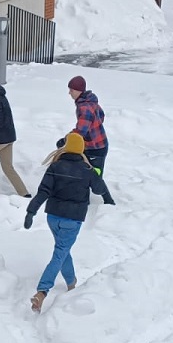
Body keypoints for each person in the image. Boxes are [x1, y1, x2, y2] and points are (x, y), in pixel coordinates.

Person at [24, 133, 115, 313]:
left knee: (63, 250)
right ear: (81, 149)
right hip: (72, 220)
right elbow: (99, 188)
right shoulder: (86, 169)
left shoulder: (55, 166)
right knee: (60, 253)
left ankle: (71, 283)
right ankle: (42, 291)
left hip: (53, 218)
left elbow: (43, 191)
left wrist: (31, 211)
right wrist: (103, 190)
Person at [67, 76, 115, 202]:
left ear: (78, 91)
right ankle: (84, 200)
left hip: (95, 148)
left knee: (95, 178)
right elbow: (102, 115)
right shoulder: (90, 102)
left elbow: (81, 131)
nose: (69, 93)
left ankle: (109, 201)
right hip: (97, 145)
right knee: (84, 174)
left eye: (71, 90)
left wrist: (67, 138)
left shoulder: (84, 107)